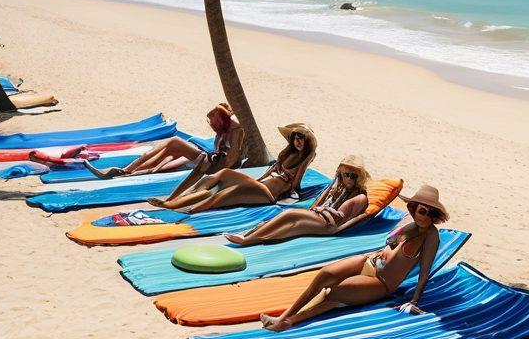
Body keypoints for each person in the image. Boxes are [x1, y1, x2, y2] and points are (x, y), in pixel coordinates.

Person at [259, 184, 447, 331]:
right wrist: (388, 247)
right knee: (324, 274)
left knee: (335, 292)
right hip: (368, 261)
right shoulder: (410, 225)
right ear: (414, 209)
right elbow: (391, 242)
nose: (426, 216)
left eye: (431, 213)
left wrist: (414, 300)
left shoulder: (431, 237)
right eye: (422, 210)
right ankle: (283, 315)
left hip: (380, 281)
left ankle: (289, 322)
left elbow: (424, 271)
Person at [151, 122, 316, 213]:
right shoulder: (288, 154)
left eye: (302, 138)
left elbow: (295, 184)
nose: (298, 141)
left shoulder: (303, 160)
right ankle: (175, 200)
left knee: (221, 195)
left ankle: (184, 209)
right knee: (222, 174)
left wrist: (289, 174)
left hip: (268, 193)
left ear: (307, 142)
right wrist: (260, 177)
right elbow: (270, 171)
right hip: (259, 184)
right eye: (296, 138)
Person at [226, 155, 370, 246]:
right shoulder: (336, 187)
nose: (350, 179)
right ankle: (251, 236)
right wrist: (317, 207)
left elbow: (339, 217)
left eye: (354, 176)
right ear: (340, 173)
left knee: (290, 215)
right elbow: (316, 204)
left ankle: (247, 240)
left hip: (330, 225)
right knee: (289, 225)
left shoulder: (360, 197)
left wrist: (319, 210)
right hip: (320, 217)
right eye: (346, 174)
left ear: (360, 177)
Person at [84, 103, 243, 180]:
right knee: (165, 160)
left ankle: (125, 171)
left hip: (211, 165)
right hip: (206, 159)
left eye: (212, 120)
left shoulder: (235, 131)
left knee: (174, 142)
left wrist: (213, 165)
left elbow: (229, 161)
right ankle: (125, 172)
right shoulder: (224, 130)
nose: (211, 125)